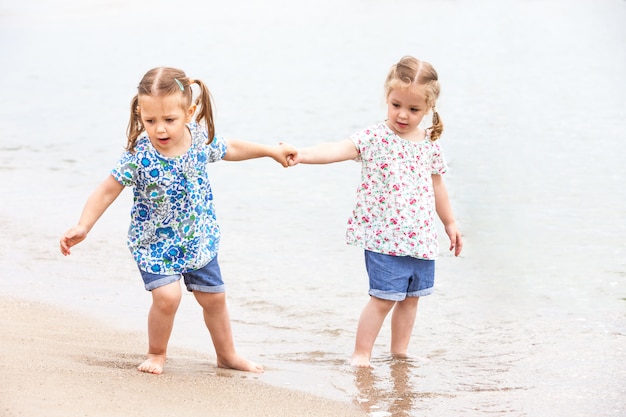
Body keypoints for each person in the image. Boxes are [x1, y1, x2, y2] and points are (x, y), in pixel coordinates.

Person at [60, 67, 296, 374]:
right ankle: (157, 353)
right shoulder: (139, 154)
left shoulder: (198, 138)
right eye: (150, 120)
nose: (159, 129)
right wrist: (84, 225)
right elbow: (107, 189)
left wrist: (271, 151)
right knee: (168, 298)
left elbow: (232, 148)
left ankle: (227, 355)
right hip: (155, 244)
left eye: (169, 120)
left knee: (214, 299)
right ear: (139, 113)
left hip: (198, 240)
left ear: (189, 112)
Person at [288, 56, 463, 368]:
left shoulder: (430, 143)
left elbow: (437, 186)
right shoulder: (375, 137)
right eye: (396, 105)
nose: (403, 115)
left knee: (412, 299)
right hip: (384, 238)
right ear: (387, 97)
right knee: (383, 298)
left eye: (414, 109)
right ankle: (361, 353)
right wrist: (302, 154)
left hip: (420, 238)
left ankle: (400, 352)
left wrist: (449, 222)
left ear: (429, 108)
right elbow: (337, 149)